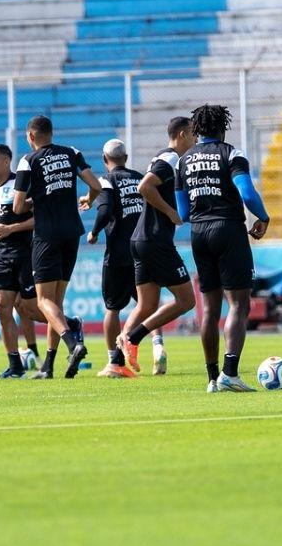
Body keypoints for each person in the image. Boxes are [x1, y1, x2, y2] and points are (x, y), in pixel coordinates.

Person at [175, 104, 268, 392]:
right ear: (222, 127)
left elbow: (183, 212)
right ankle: (230, 373)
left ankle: (212, 378)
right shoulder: (232, 154)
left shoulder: (183, 161)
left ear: (197, 129)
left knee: (210, 310)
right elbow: (247, 192)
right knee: (239, 304)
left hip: (199, 233)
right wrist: (263, 217)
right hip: (228, 229)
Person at [14, 115, 103, 379]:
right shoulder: (71, 152)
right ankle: (49, 365)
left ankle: (73, 343)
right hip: (71, 232)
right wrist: (88, 198)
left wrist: (35, 200)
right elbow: (96, 186)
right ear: (51, 133)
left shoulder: (28, 160)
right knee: (57, 302)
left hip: (46, 234)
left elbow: (18, 206)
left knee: (43, 301)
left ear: (30, 137)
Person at [112, 116, 198, 377]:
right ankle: (134, 338)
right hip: (155, 240)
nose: (196, 140)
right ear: (182, 134)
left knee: (146, 305)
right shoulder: (170, 159)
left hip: (141, 239)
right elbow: (144, 187)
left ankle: (116, 362)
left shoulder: (168, 159)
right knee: (186, 300)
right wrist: (171, 212)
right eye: (194, 135)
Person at [83, 139, 144, 379]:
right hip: (142, 249)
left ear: (104, 159)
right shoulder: (140, 178)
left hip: (118, 254)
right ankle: (157, 347)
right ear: (126, 158)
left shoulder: (106, 181)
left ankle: (115, 361)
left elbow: (105, 209)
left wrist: (95, 231)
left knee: (113, 308)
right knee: (147, 304)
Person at [0, 143, 42, 378]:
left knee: (30, 309)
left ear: (7, 161)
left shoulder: (21, 184)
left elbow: (40, 219)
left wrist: (11, 229)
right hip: (2, 255)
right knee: (1, 307)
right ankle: (16, 366)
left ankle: (69, 325)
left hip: (25, 254)